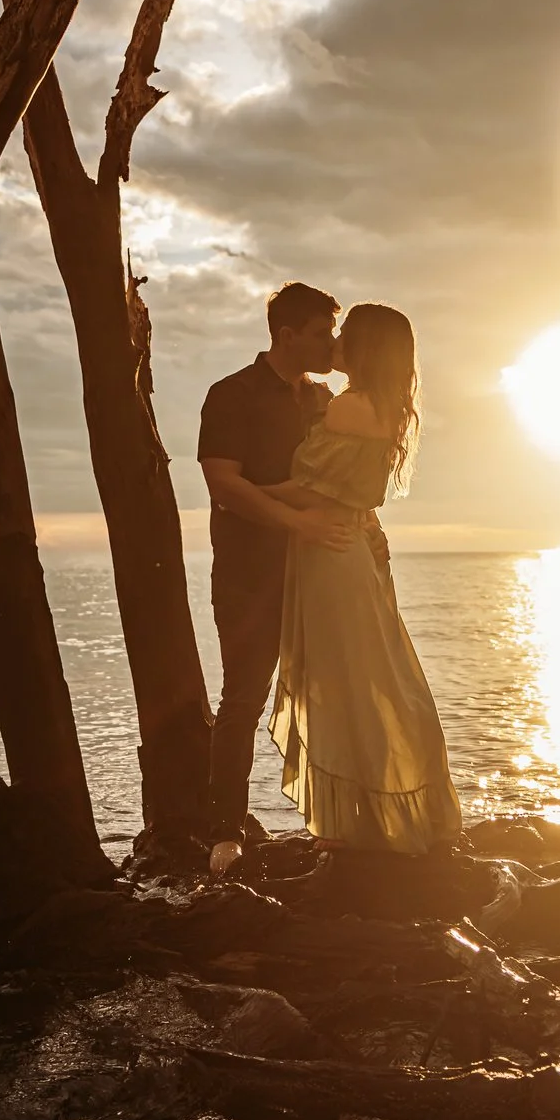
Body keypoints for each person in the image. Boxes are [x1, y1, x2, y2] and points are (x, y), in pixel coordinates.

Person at [259, 302, 465, 856]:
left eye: (346, 334)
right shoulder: (380, 405)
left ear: (366, 347)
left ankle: (367, 822)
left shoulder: (350, 408)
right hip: (347, 547)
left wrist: (242, 494)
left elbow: (311, 489)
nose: (337, 342)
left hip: (331, 553)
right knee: (375, 679)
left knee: (351, 684)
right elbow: (346, 489)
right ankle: (385, 814)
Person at [198, 282, 347, 874]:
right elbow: (222, 482)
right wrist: (295, 522)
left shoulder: (324, 400)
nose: (331, 344)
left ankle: (332, 824)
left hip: (318, 574)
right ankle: (225, 832)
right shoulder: (230, 394)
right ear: (287, 336)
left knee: (332, 697)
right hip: (248, 574)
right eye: (321, 333)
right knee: (243, 701)